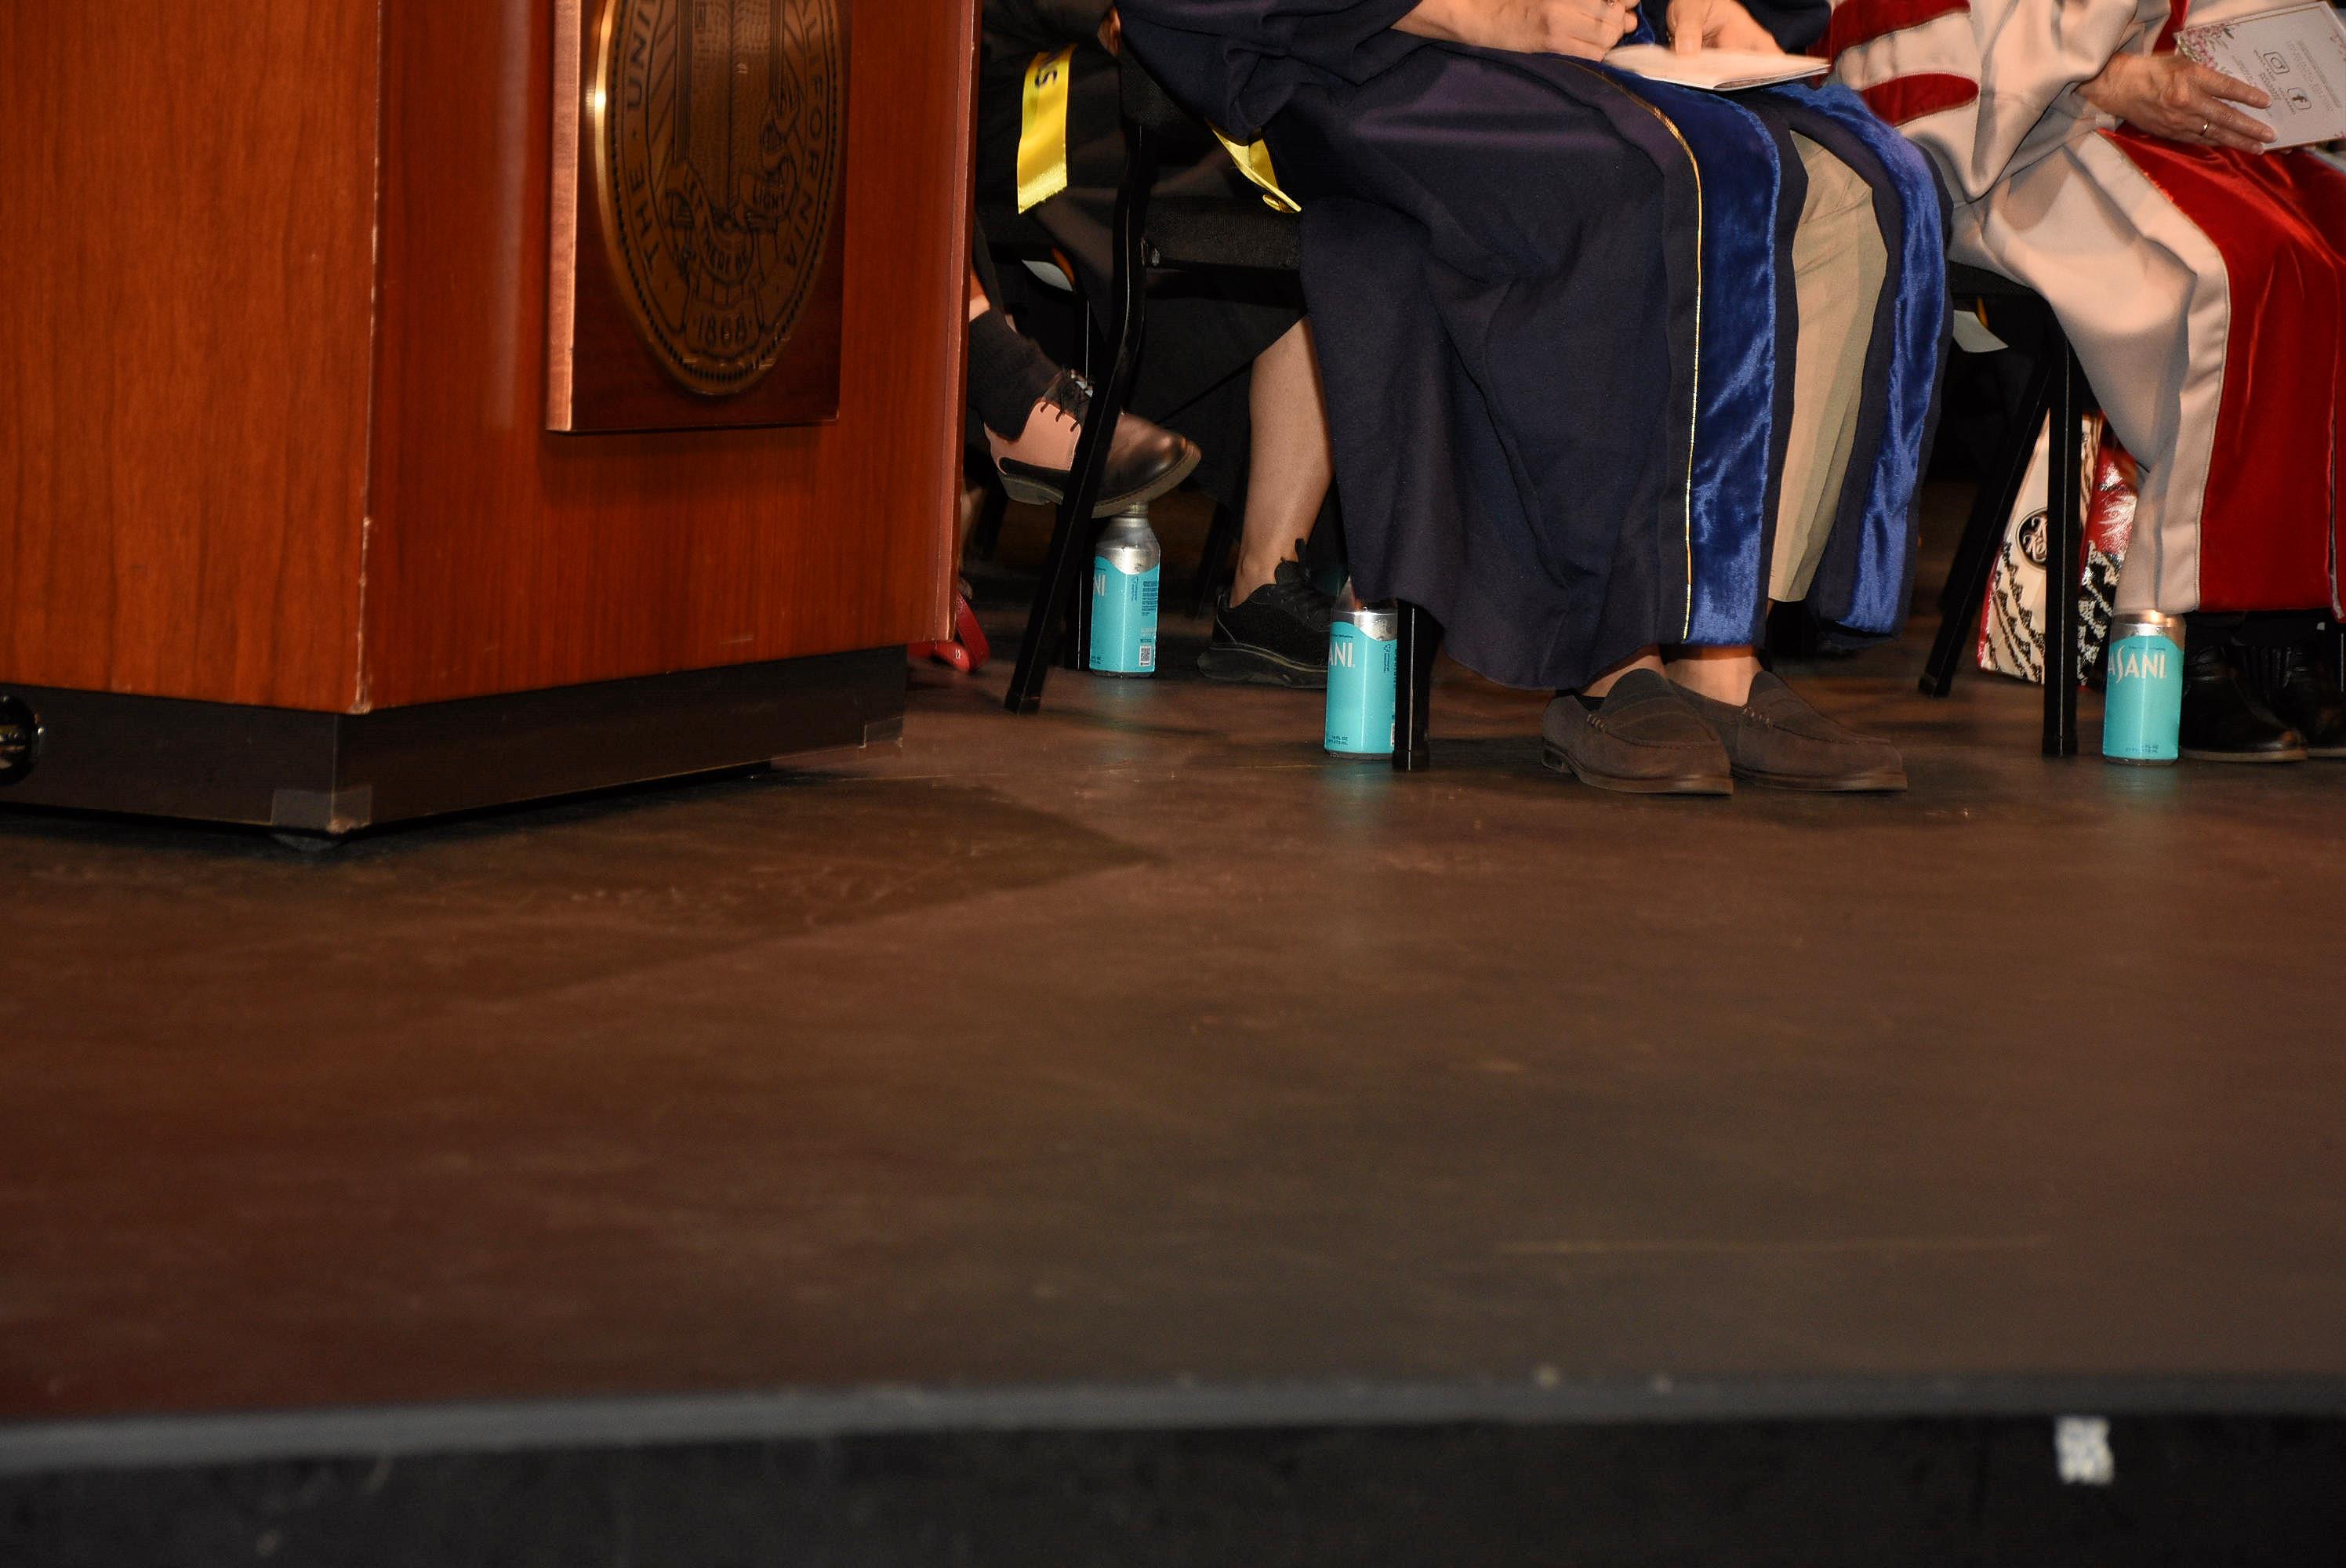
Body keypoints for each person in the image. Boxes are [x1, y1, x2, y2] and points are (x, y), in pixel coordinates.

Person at [1116, 0, 1948, 793]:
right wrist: (1486, 15)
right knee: (1627, 188)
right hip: (1375, 56)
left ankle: (1720, 646)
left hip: (1586, 60)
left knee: (1866, 189)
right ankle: (1610, 656)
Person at [1830, 0, 2346, 762]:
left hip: (2155, 117)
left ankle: (2284, 637)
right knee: (2230, 271)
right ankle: (2186, 636)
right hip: (2025, 137)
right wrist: (2100, 81)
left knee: (2328, 240)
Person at [976, 1, 1343, 686]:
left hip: (1192, 71)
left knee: (1323, 186)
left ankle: (1266, 581)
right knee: (1268, 168)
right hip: (1041, 82)